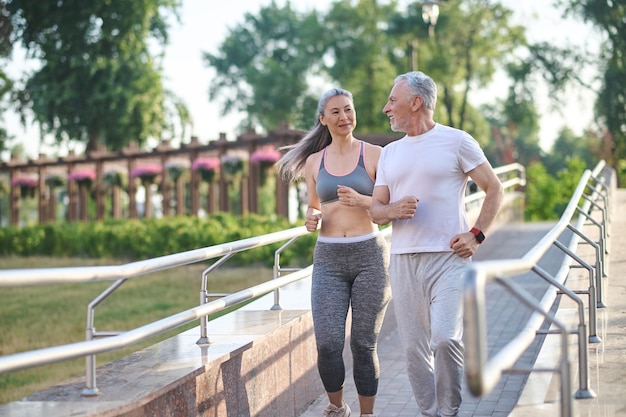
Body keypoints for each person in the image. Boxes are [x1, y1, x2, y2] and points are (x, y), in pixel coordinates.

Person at [370, 71, 504, 417]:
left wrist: (476, 235)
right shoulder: (390, 152)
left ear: (415, 103)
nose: (386, 108)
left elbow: (494, 188)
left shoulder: (457, 141)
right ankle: (429, 412)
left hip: (449, 258)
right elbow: (376, 210)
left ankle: (449, 411)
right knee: (414, 350)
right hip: (403, 261)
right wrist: (392, 209)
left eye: (392, 101)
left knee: (445, 338)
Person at [276, 88, 391, 417]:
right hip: (328, 259)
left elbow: (388, 207)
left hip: (369, 256)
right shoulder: (315, 161)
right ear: (323, 119)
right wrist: (311, 218)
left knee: (363, 344)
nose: (345, 117)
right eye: (336, 112)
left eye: (349, 110)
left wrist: (364, 201)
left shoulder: (375, 155)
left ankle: (367, 415)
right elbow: (315, 207)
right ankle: (338, 408)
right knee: (327, 343)